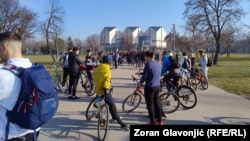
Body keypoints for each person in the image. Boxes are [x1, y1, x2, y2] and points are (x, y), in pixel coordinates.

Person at [0, 32, 40, 140]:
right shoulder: (35, 69)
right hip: (33, 131)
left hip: (11, 134)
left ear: (4, 48)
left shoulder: (3, 75)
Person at [93, 55, 129, 131]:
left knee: (100, 104)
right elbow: (107, 81)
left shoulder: (98, 68)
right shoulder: (107, 70)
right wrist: (107, 89)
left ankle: (98, 114)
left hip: (98, 89)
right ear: (109, 62)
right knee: (113, 107)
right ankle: (122, 124)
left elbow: (96, 78)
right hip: (104, 91)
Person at [138, 50, 163, 125]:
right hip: (157, 86)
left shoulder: (148, 64)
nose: (145, 58)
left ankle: (152, 122)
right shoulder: (158, 63)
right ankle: (159, 120)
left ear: (148, 57)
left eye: (145, 57)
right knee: (157, 103)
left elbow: (144, 77)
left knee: (150, 105)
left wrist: (140, 82)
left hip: (150, 87)